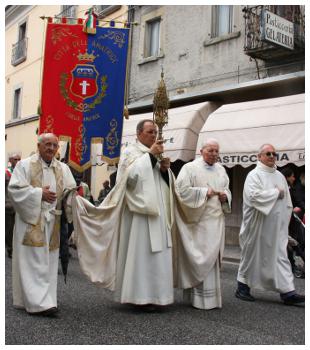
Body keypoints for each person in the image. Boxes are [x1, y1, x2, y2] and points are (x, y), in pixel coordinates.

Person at [72, 119, 175, 307]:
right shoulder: (130, 152)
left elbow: (163, 185)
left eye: (155, 132)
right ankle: (138, 297)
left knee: (159, 255)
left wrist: (164, 170)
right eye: (150, 132)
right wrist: (151, 157)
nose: (154, 135)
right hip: (139, 214)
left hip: (158, 212)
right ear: (138, 134)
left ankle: (159, 296)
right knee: (141, 254)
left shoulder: (156, 154)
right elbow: (129, 179)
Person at [8, 133, 76, 316]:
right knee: (34, 261)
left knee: (49, 262)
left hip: (53, 221)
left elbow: (70, 190)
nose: (51, 148)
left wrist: (74, 195)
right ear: (38, 146)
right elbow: (14, 190)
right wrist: (39, 194)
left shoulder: (63, 168)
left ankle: (47, 299)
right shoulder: (24, 165)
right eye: (47, 144)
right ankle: (38, 304)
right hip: (31, 221)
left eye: (54, 145)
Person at [235, 144, 304, 305]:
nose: (272, 156)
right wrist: (275, 193)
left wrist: (284, 222)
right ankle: (242, 287)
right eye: (268, 153)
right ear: (259, 156)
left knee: (280, 257)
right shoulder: (254, 175)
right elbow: (253, 197)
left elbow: (287, 201)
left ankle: (288, 292)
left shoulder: (279, 175)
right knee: (252, 256)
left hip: (276, 228)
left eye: (274, 153)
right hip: (257, 227)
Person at [174, 139, 231, 309]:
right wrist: (205, 192)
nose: (214, 154)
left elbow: (227, 188)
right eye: (210, 150)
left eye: (216, 151)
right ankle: (197, 298)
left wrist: (225, 197)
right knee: (201, 257)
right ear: (201, 151)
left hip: (217, 220)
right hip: (199, 221)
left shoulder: (221, 170)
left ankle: (211, 299)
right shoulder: (189, 168)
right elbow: (181, 191)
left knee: (212, 259)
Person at [5, 153, 21, 258]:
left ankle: (16, 248)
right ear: (11, 160)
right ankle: (10, 248)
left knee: (18, 229)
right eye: (15, 159)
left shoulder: (21, 172)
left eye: (19, 159)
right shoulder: (6, 173)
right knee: (9, 229)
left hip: (19, 207)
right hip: (8, 205)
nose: (18, 161)